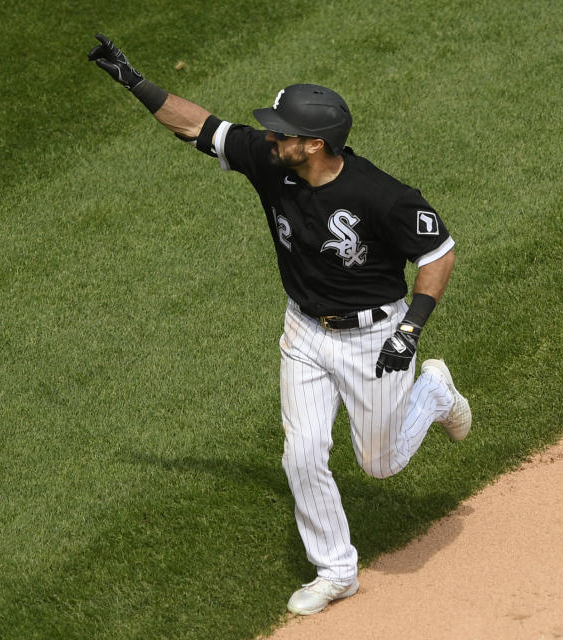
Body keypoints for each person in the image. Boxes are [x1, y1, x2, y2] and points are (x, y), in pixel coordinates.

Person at [88, 34, 472, 616]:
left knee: (380, 463)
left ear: (314, 144)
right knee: (302, 453)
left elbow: (438, 252)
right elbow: (200, 127)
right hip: (305, 334)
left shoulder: (381, 195)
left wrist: (411, 329)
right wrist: (134, 83)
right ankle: (337, 569)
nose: (270, 136)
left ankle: (434, 391)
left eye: (283, 130)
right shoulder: (272, 163)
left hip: (375, 336)